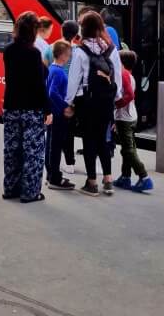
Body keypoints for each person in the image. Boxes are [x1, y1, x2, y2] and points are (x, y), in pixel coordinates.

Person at [65, 11, 122, 197]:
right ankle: (108, 179)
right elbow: (117, 78)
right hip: (106, 101)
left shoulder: (80, 51)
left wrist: (69, 102)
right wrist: (114, 98)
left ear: (83, 28)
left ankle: (91, 182)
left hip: (87, 102)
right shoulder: (111, 50)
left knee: (89, 140)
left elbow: (74, 80)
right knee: (103, 140)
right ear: (100, 27)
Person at [2, 11, 52, 203]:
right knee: (32, 152)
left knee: (12, 150)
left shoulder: (8, 50)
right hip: (31, 109)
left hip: (11, 106)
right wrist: (48, 110)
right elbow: (39, 85)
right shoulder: (34, 54)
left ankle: (10, 189)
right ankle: (30, 192)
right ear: (32, 31)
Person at [113, 50, 154, 193]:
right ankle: (125, 177)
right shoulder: (129, 76)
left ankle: (144, 177)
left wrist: (117, 105)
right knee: (127, 148)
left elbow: (129, 95)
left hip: (124, 117)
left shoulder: (123, 74)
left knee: (128, 150)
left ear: (121, 63)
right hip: (130, 116)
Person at [45, 40, 75, 191]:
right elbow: (52, 93)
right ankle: (55, 178)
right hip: (59, 114)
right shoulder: (59, 72)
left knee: (51, 145)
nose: (70, 57)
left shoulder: (51, 69)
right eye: (69, 54)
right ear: (63, 55)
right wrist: (65, 107)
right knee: (56, 146)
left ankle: (51, 175)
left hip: (53, 113)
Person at [60, 20, 80, 175]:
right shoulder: (78, 51)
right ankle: (70, 162)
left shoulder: (55, 49)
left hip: (59, 94)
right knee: (70, 130)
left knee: (59, 130)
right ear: (75, 34)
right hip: (73, 95)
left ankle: (65, 161)